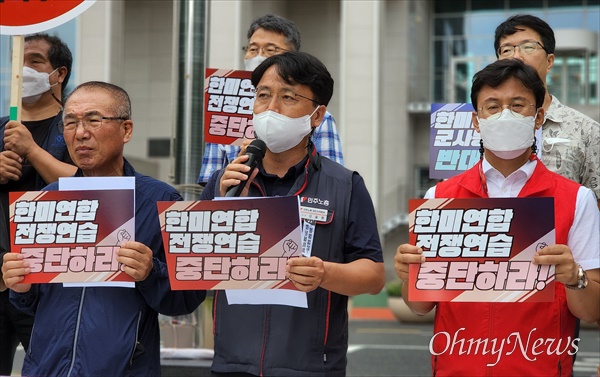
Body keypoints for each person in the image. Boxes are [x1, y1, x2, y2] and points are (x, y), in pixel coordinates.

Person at [394, 59, 599, 376]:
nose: (506, 115)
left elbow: (592, 310)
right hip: (456, 368)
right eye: (492, 106)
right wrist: (409, 278)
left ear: (538, 117)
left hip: (540, 368)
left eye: (518, 105)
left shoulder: (577, 199)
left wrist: (575, 277)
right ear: (476, 120)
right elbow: (420, 305)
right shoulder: (440, 198)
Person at [1, 81, 206, 376]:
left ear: (126, 130)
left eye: (94, 120)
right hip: (47, 367)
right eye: (69, 122)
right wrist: (20, 288)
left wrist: (152, 272)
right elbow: (30, 308)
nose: (80, 133)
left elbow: (185, 300)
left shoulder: (159, 200)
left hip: (124, 368)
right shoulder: (47, 201)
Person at [200, 51, 385, 376]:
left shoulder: (345, 185)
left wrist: (325, 274)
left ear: (317, 115)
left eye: (288, 97)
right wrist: (222, 209)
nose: (271, 109)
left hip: (311, 366)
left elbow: (373, 275)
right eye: (263, 96)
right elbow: (191, 274)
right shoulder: (224, 182)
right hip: (232, 365)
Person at [0, 33, 77, 375]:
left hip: (50, 288)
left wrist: (32, 151)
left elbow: (88, 191)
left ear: (58, 74)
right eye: (19, 61)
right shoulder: (2, 127)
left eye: (35, 61)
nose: (23, 69)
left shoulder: (76, 128)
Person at [198, 14, 344, 185]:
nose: (259, 56)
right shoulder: (225, 109)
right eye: (253, 49)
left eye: (271, 50)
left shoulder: (314, 116)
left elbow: (331, 182)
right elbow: (209, 182)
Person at [494, 14, 600, 206]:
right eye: (507, 49)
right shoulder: (476, 126)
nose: (517, 56)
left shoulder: (587, 130)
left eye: (528, 47)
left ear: (550, 61)